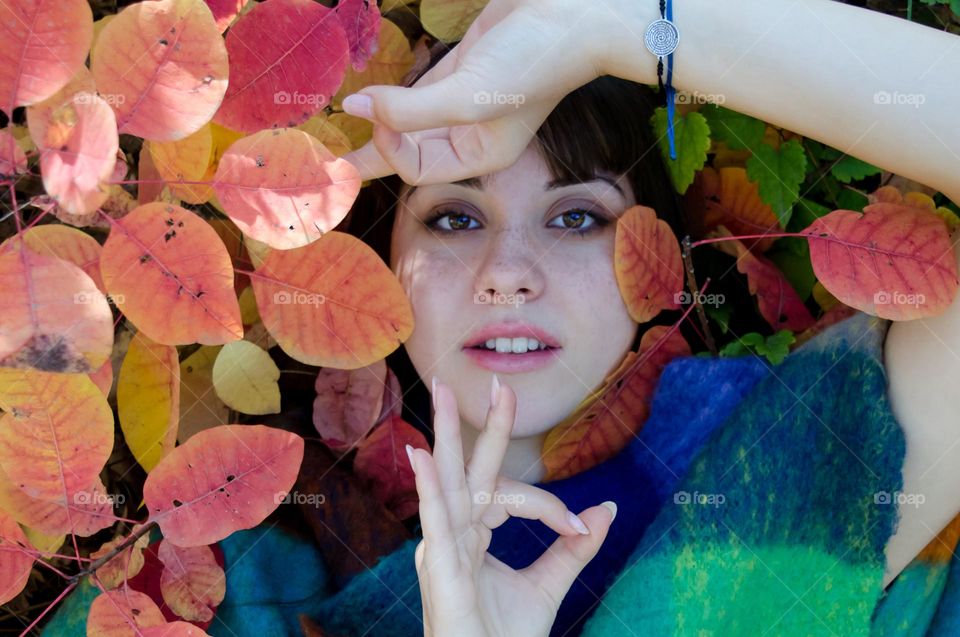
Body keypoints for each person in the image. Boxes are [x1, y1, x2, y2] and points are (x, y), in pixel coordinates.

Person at [328, 0, 960, 635]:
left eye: (576, 218)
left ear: (658, 255)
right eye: (455, 218)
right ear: (378, 256)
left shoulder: (784, 469)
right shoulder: (257, 574)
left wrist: (611, 25)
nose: (507, 272)